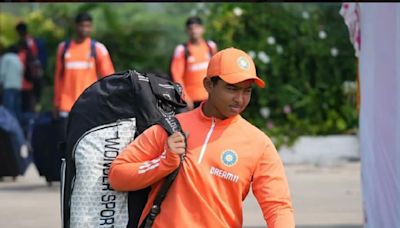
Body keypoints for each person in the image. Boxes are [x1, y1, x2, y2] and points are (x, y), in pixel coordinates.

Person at [109, 47, 295, 227]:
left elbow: (278, 206)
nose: (240, 99)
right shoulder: (171, 128)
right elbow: (117, 175)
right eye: (231, 89)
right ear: (208, 85)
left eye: (247, 90)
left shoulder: (258, 143)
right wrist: (165, 162)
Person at [53, 12, 115, 125]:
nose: (84, 29)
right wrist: (57, 102)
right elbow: (58, 77)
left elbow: (109, 79)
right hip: (66, 106)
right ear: (76, 26)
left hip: (89, 105)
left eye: (88, 26)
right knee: (65, 141)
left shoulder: (98, 49)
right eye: (82, 26)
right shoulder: (64, 48)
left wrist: (107, 103)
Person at [170, 16, 217, 111]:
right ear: (187, 31)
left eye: (197, 27)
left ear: (203, 29)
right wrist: (185, 97)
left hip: (209, 98)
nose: (194, 31)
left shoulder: (210, 46)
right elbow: (177, 75)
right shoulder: (182, 49)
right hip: (191, 101)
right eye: (191, 28)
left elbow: (217, 71)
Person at [15, 21, 46, 113]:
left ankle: (33, 113)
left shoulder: (27, 41)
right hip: (31, 73)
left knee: (31, 97)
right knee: (32, 97)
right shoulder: (30, 40)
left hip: (31, 73)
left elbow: (33, 56)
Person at [0, 45, 23, 122]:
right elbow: (21, 72)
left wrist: (1, 83)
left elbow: (2, 72)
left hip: (8, 86)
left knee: (8, 109)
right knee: (17, 109)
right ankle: (18, 128)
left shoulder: (6, 57)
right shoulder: (18, 59)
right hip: (17, 86)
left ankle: (8, 128)